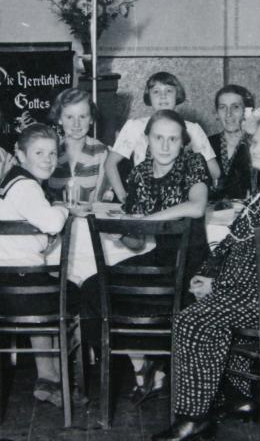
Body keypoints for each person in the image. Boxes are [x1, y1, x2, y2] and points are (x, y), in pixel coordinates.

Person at [152, 115, 260, 441]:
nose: (256, 148)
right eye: (255, 142)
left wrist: (217, 284)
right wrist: (206, 273)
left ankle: (193, 419)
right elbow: (230, 243)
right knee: (207, 308)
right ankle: (239, 398)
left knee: (192, 320)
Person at [80, 110, 211, 405]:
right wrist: (121, 232)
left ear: (183, 143)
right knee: (92, 290)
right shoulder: (139, 173)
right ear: (147, 140)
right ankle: (141, 367)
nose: (165, 145)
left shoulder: (193, 163)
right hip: (160, 260)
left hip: (192, 262)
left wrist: (147, 219)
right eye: (158, 138)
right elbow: (137, 243)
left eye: (173, 139)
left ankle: (161, 368)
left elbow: (196, 207)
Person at [0, 124, 73, 407]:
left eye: (53, 153)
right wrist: (64, 209)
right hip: (21, 292)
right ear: (20, 154)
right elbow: (55, 222)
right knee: (82, 294)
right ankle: (59, 379)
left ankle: (48, 376)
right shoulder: (28, 187)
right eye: (39, 152)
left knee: (47, 284)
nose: (47, 159)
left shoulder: (9, 182)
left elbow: (32, 241)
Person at [104, 72, 219, 201]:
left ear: (178, 95)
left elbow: (215, 172)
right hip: (144, 198)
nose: (163, 96)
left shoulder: (193, 130)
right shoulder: (135, 127)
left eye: (169, 91)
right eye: (156, 92)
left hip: (179, 201)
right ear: (149, 97)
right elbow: (110, 164)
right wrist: (122, 196)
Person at [46, 88, 109, 204]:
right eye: (69, 117)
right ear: (59, 119)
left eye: (82, 117)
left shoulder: (101, 152)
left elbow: (100, 201)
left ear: (91, 119)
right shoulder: (50, 151)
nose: (76, 124)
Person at [208, 84, 257, 201]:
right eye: (222, 107)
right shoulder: (207, 144)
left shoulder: (256, 145)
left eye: (235, 107)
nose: (228, 114)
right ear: (216, 114)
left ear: (247, 112)